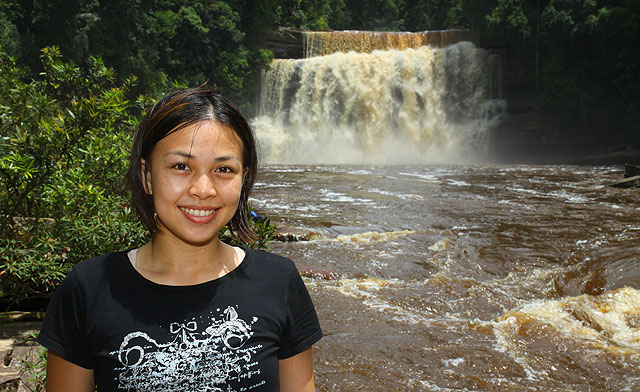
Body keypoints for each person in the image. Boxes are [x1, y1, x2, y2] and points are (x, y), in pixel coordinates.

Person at [37, 86, 323, 392]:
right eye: (181, 166)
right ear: (147, 176)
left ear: (244, 179)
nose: (203, 189)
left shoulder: (279, 281)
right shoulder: (88, 288)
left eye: (224, 169)